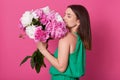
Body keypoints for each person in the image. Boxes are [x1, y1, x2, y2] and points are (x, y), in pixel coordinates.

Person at [37, 4, 92, 80]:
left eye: (69, 16)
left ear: (78, 22)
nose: (64, 18)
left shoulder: (66, 37)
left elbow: (61, 67)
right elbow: (63, 61)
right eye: (65, 14)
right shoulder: (79, 39)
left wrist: (43, 50)